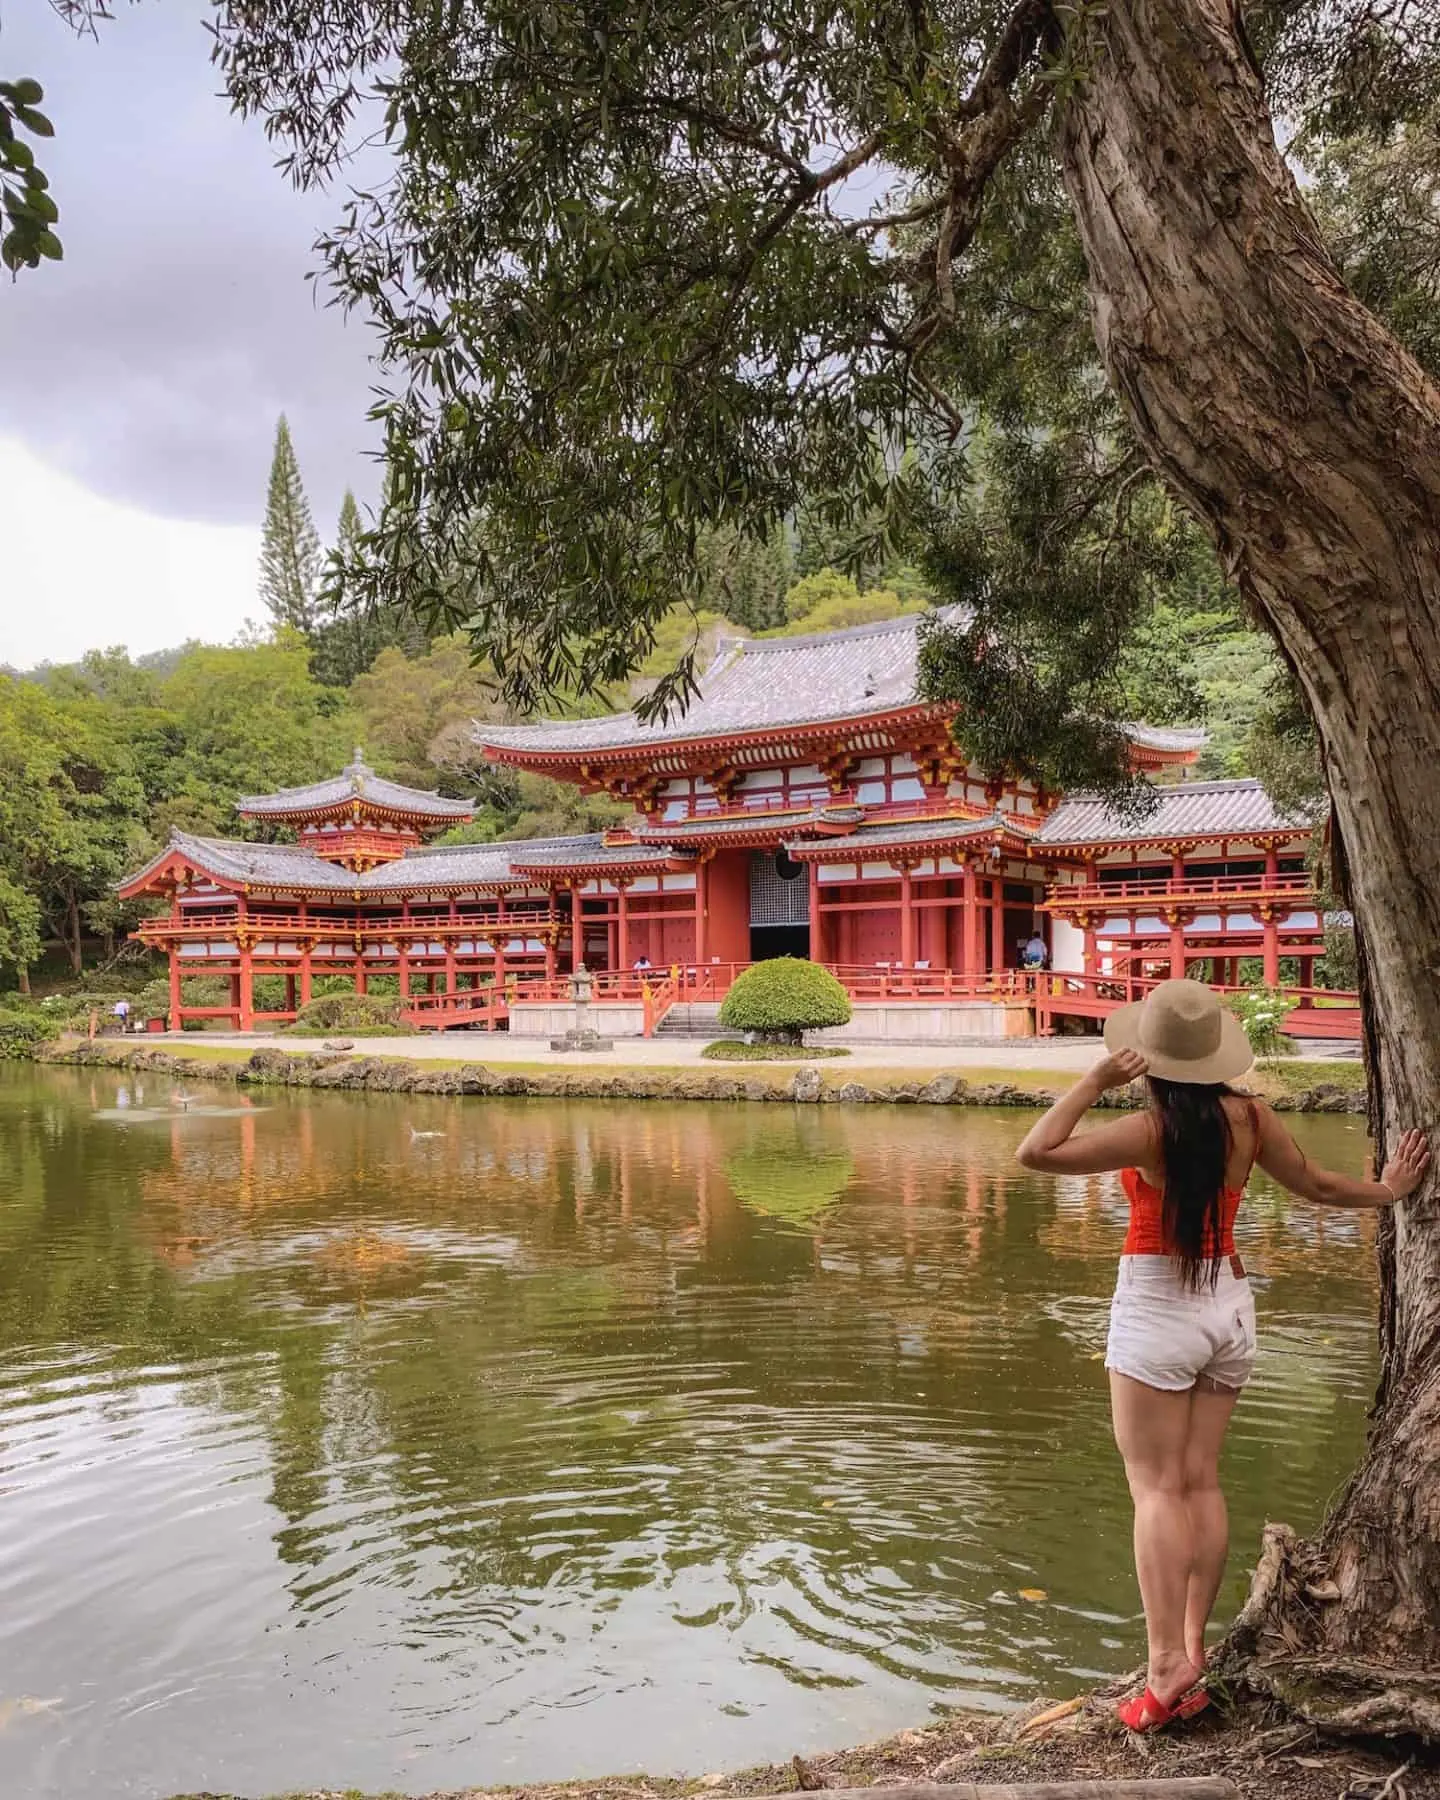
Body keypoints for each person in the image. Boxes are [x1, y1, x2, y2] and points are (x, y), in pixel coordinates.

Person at [1014, 979, 1428, 1733]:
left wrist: (1094, 1080)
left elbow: (1036, 1152)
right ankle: (1194, 1645)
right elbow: (1319, 1186)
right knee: (1199, 1480)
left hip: (1158, 1307)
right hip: (1229, 1308)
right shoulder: (1252, 1118)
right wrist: (1390, 1189)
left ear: (1154, 1058)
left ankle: (1165, 1660)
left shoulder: (1149, 1131)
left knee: (1154, 1488)